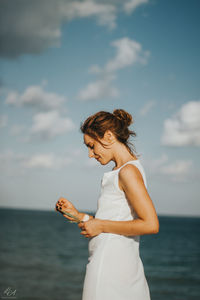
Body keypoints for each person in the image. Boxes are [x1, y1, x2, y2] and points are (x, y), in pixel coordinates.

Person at [55, 108, 159, 300]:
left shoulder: (127, 172)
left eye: (92, 145)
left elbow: (151, 224)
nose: (90, 154)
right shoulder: (124, 171)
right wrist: (78, 216)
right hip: (124, 264)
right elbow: (112, 222)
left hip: (108, 267)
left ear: (109, 136)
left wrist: (100, 224)